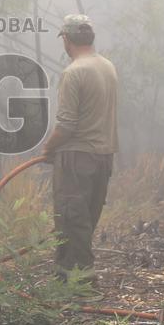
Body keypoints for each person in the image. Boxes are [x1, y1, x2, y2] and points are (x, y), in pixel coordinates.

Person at [38, 14, 118, 281]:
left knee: (73, 221)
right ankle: (64, 279)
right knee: (85, 219)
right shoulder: (107, 66)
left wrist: (48, 149)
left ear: (67, 39)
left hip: (76, 157)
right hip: (103, 156)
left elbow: (67, 125)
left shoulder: (74, 72)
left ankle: (82, 286)